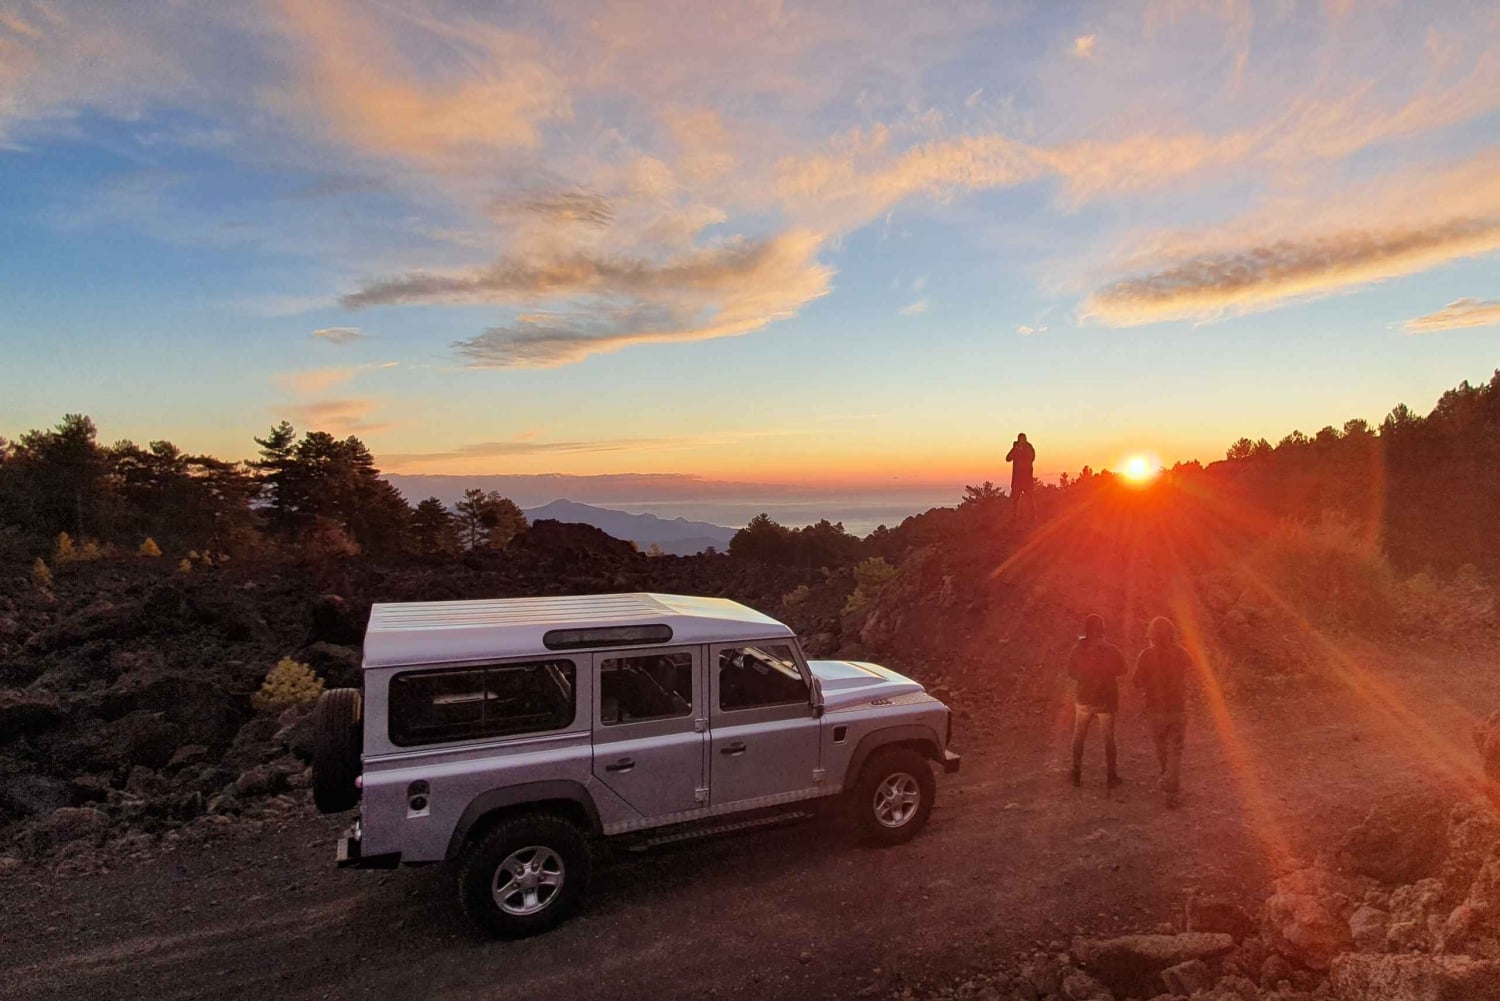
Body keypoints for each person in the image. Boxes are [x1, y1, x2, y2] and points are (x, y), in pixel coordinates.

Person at [1134, 616, 1192, 807]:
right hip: (1177, 708)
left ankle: (1167, 778)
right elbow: (1189, 668)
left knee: (1161, 747)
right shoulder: (1181, 652)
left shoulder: (1146, 655)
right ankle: (1171, 790)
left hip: (1155, 710)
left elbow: (1137, 682)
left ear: (1151, 634)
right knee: (1176, 750)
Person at [1067, 613, 1126, 788]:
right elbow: (1123, 670)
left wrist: (1084, 676)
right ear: (1102, 629)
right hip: (1105, 700)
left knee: (1079, 736)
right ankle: (1111, 776)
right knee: (1108, 739)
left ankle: (1076, 773)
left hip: (1084, 699)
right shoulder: (1111, 650)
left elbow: (1071, 672)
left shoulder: (1077, 649)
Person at [1005, 433, 1036, 525]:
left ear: (1025, 440)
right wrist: (1015, 449)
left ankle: (1032, 518)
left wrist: (1022, 451)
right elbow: (1008, 458)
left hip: (1027, 479)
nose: (1022, 441)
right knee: (1015, 500)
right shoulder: (1015, 448)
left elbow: (1032, 457)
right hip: (1017, 480)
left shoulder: (1029, 448)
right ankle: (1014, 519)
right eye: (1020, 439)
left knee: (1030, 499)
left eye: (1023, 439)